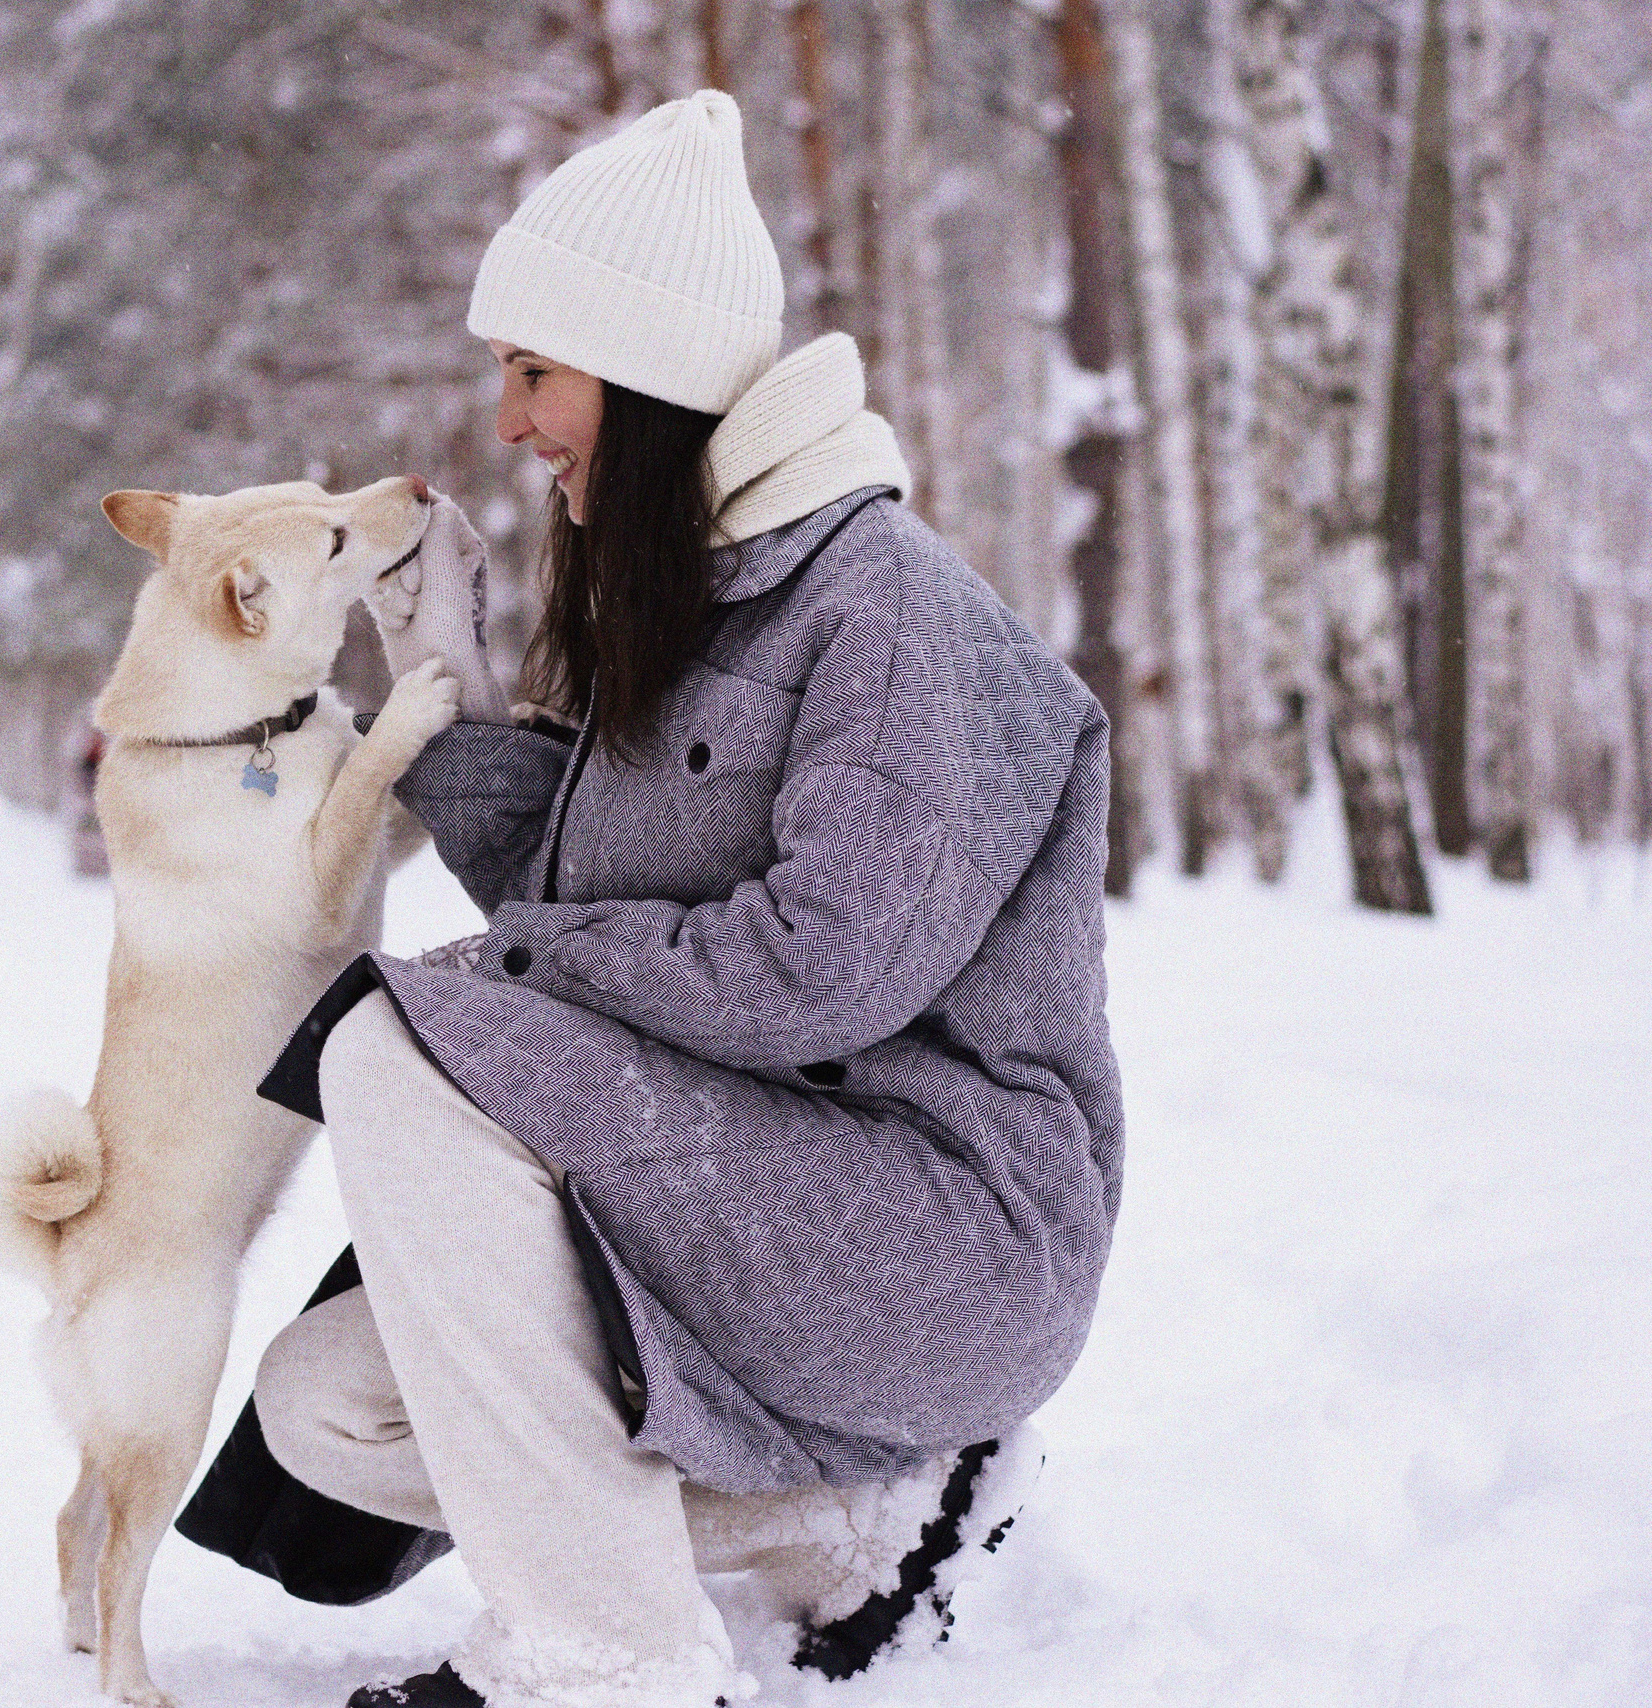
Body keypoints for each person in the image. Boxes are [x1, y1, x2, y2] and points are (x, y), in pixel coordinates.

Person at [188, 90, 1124, 1708]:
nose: (508, 423)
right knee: (325, 1409)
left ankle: (602, 1657)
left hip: (938, 1232)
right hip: (743, 1189)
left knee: (397, 1044)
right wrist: (449, 687)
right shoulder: (697, 605)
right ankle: (849, 1520)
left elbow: (820, 971)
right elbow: (602, 915)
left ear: (645, 374)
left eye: (533, 373)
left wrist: (510, 973)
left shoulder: (894, 615)